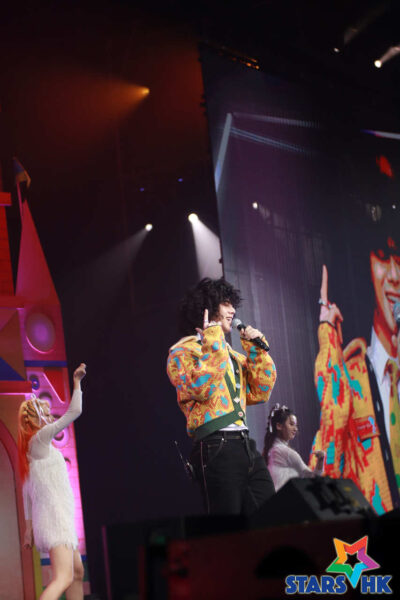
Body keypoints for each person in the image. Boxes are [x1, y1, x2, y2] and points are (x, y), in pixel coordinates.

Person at [167, 277, 277, 516]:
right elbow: (201, 387)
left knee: (270, 516)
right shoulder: (182, 352)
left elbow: (260, 391)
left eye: (233, 304)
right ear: (208, 307)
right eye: (226, 303)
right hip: (216, 445)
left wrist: (256, 351)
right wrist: (214, 339)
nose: (233, 310)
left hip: (245, 444)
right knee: (228, 525)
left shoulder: (230, 354)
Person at [311, 240, 400, 514]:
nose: (395, 275)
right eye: (383, 257)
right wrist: (328, 337)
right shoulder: (352, 377)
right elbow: (325, 472)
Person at [18, 363, 87, 600]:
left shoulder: (33, 449)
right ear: (36, 418)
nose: (50, 417)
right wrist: (77, 382)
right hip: (55, 518)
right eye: (46, 414)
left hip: (57, 517)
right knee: (64, 577)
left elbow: (27, 491)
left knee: (76, 572)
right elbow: (74, 412)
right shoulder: (39, 438)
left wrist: (29, 528)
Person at [263, 404, 325, 492]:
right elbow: (314, 477)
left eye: (296, 425)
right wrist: (321, 459)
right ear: (279, 426)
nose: (295, 429)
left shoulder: (273, 449)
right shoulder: (283, 451)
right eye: (291, 424)